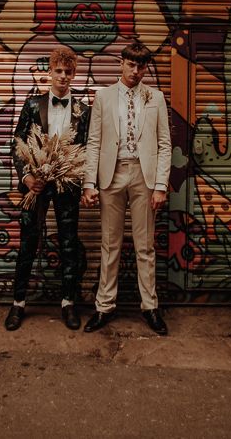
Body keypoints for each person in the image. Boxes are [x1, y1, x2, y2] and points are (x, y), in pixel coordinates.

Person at [82, 41, 171, 335]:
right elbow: (93, 142)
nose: (135, 71)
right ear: (121, 63)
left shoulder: (155, 97)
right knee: (110, 245)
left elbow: (164, 144)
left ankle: (150, 307)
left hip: (143, 177)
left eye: (141, 66)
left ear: (146, 68)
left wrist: (160, 185)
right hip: (111, 176)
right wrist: (89, 182)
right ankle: (104, 306)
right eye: (131, 64)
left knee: (145, 246)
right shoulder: (103, 97)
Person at [5, 46, 90, 331]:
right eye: (58, 71)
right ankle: (18, 304)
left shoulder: (83, 111)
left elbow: (87, 148)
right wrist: (27, 176)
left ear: (74, 74)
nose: (63, 77)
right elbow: (17, 143)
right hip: (36, 185)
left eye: (68, 72)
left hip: (67, 185)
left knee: (68, 244)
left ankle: (68, 303)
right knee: (28, 242)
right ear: (50, 72)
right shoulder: (31, 105)